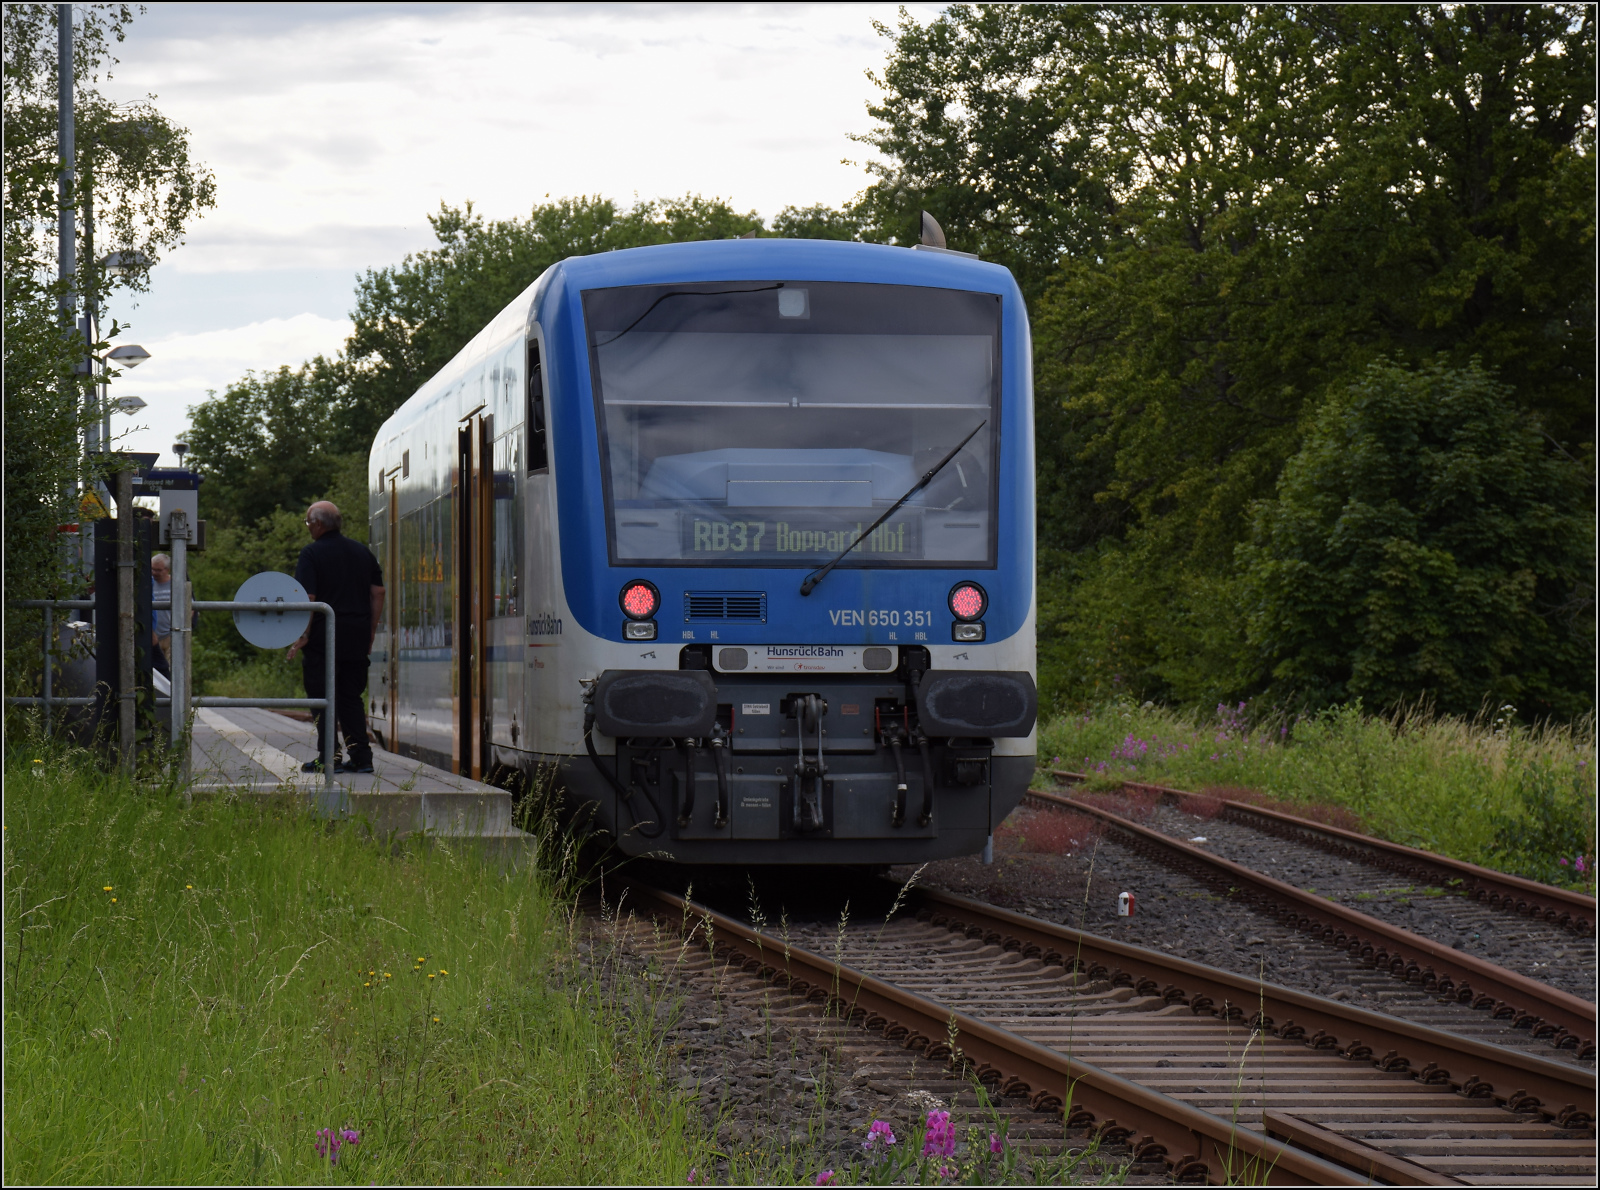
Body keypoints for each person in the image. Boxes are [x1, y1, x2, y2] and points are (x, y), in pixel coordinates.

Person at [286, 501, 385, 774]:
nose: (308, 528)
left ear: (318, 524)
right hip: (356, 636)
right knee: (351, 696)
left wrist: (304, 634)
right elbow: (378, 592)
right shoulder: (362, 552)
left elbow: (309, 598)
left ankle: (329, 757)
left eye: (308, 523)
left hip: (323, 637)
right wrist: (371, 630)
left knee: (321, 697)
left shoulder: (311, 553)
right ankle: (362, 758)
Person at [150, 553, 173, 676]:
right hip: (153, 636)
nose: (154, 573)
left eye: (158, 570)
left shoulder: (175, 584)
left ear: (167, 570)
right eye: (152, 569)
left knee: (173, 670)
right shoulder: (147, 584)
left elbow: (189, 609)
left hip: (171, 635)